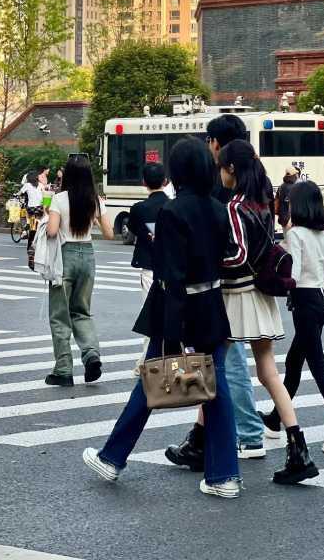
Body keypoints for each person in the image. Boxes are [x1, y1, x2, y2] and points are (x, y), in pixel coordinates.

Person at [82, 138, 241, 499]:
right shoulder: (219, 209)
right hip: (212, 305)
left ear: (178, 171)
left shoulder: (173, 212)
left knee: (150, 382)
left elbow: (170, 274)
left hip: (178, 308)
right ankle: (225, 475)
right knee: (217, 391)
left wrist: (175, 331)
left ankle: (112, 457)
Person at [166, 114, 267, 469]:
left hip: (224, 288)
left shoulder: (223, 186)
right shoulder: (252, 179)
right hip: (246, 287)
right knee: (221, 365)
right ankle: (200, 440)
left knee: (228, 365)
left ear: (216, 143)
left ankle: (249, 434)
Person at [219, 139, 319, 484]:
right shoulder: (261, 203)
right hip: (261, 294)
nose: (220, 173)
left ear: (231, 169)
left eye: (221, 167)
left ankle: (203, 442)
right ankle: (298, 447)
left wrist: (212, 263)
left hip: (238, 295)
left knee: (216, 366)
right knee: (268, 372)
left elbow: (238, 254)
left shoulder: (235, 206)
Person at [260, 181, 324, 454]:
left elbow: (291, 276)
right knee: (295, 361)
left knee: (318, 366)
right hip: (320, 301)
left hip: (304, 302)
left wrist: (273, 283)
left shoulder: (296, 235)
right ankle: (274, 419)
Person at [45, 155, 114, 387]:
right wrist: (94, 219)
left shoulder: (59, 199)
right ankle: (91, 354)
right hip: (88, 255)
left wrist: (48, 218)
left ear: (68, 175)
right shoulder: (95, 200)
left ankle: (63, 369)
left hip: (66, 257)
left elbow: (52, 231)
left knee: (59, 315)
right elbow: (109, 234)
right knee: (82, 311)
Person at [128, 162, 169, 372]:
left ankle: (146, 361)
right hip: (172, 268)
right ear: (166, 181)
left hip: (149, 267)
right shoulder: (173, 206)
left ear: (143, 182)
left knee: (150, 313)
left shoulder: (139, 209)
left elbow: (133, 229)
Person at [19, 172, 44, 253]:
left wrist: (16, 195)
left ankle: (30, 245)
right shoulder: (41, 185)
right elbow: (45, 194)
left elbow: (20, 193)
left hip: (31, 209)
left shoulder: (27, 185)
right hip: (40, 208)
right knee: (39, 223)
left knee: (32, 227)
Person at [275, 166, 299, 233]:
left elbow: (277, 201)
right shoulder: (295, 187)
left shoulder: (281, 187)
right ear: (293, 175)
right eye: (296, 174)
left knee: (286, 237)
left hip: (283, 219)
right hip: (292, 220)